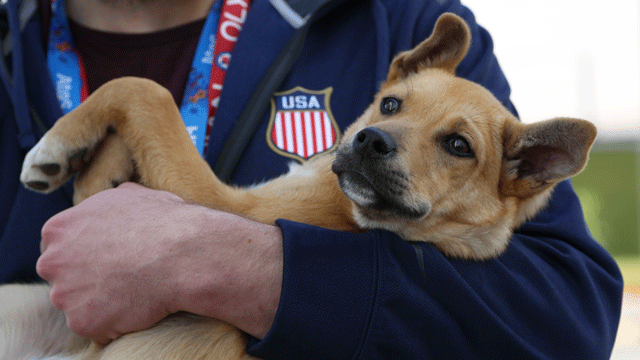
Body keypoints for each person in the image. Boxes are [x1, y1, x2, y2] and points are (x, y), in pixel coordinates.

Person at [0, 0, 624, 358]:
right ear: (394, 81)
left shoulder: (392, 16)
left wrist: (251, 268)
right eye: (391, 106)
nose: (384, 136)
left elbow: (570, 318)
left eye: (455, 145)